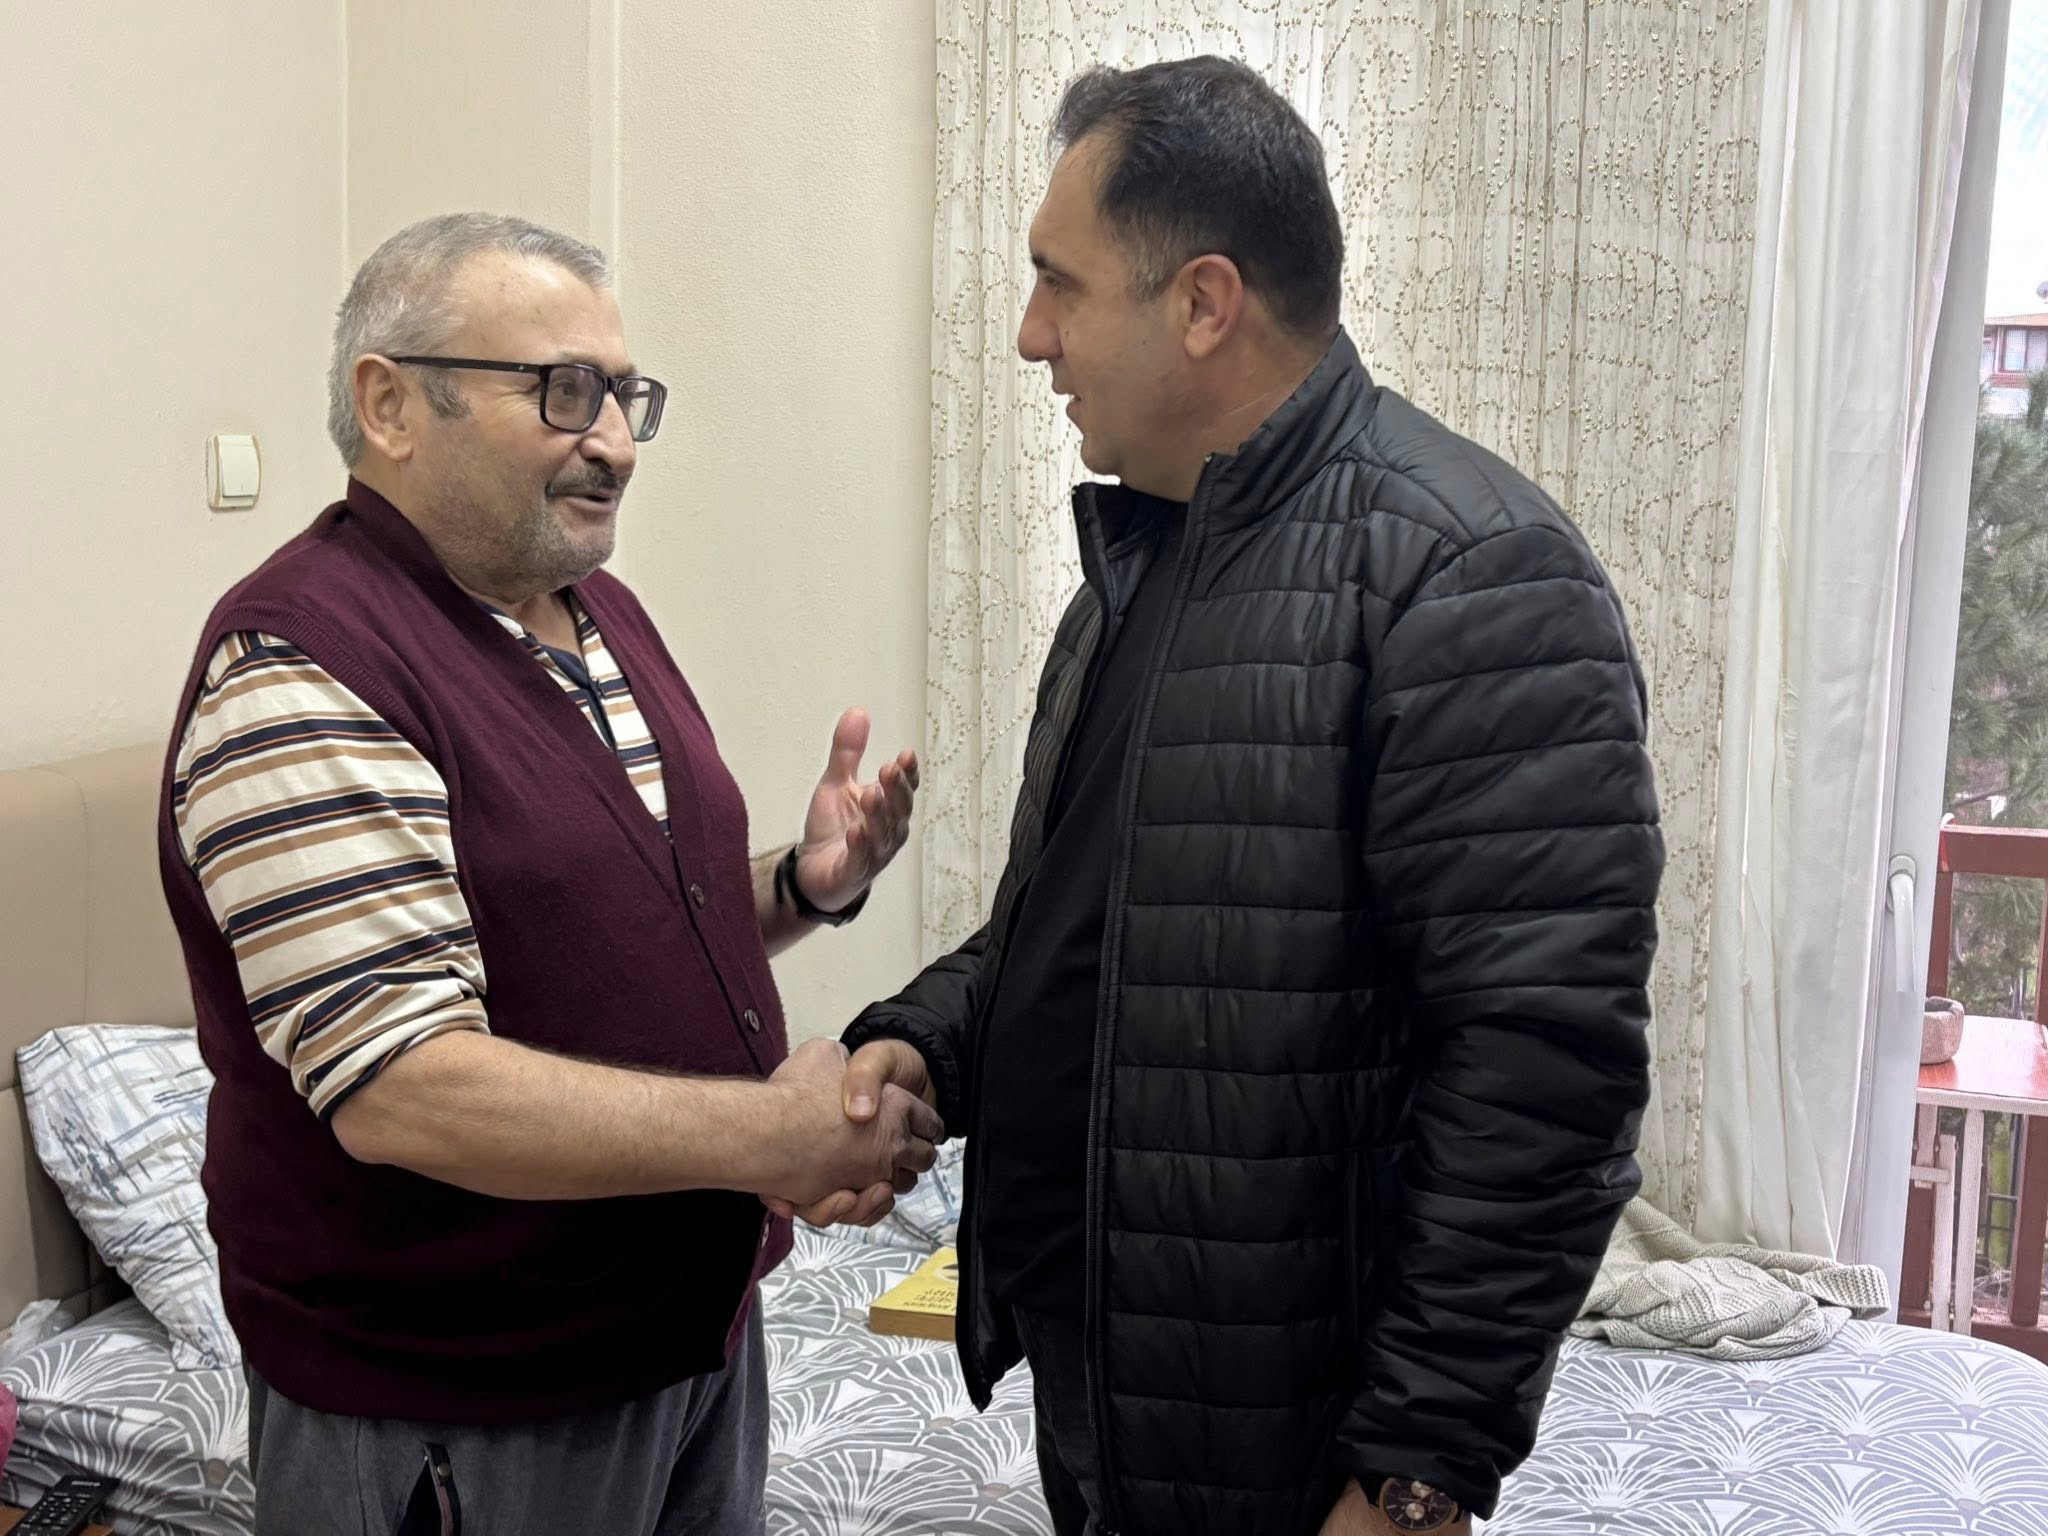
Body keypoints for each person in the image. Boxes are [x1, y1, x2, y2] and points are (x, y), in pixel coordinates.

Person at [812, 57, 1665, 1536]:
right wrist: (922, 1048)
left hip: (1301, 1439)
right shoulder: (1137, 571)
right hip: (1117, 1400)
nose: (1029, 335)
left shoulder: (1470, 574)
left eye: (1059, 284)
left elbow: (1546, 1077)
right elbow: (1077, 936)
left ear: (1203, 302)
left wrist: (1415, 1473)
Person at [158, 212, 938, 1534]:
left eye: (628, 395)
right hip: (466, 1397)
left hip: (683, 1338)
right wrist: (776, 1136)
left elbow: (600, 932)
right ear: (391, 405)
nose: (617, 441)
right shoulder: (305, 662)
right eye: (565, 391)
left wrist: (802, 888)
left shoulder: (591, 615)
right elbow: (404, 1086)